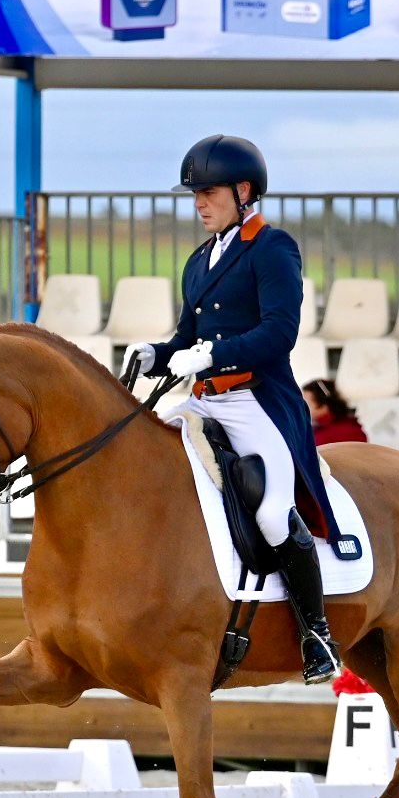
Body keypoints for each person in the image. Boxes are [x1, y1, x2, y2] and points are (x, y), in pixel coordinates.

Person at [122, 135, 344, 684]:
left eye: (210, 192)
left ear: (244, 191)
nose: (199, 204)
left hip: (256, 402)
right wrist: (158, 353)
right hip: (202, 400)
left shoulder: (273, 248)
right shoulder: (199, 261)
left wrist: (214, 353)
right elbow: (188, 339)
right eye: (195, 194)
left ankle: (317, 634)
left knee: (271, 513)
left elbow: (279, 333)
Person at [302, 378, 368, 445]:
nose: (302, 409)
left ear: (324, 406)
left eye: (307, 404)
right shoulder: (352, 425)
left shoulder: (322, 436)